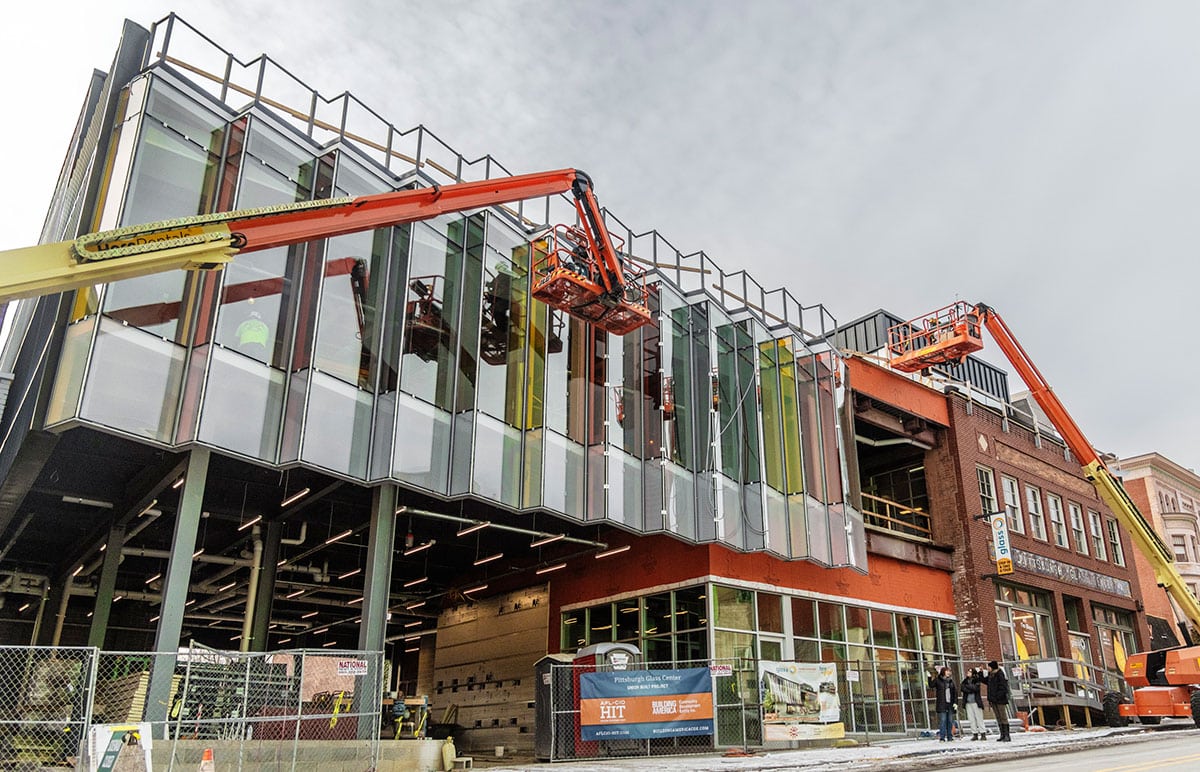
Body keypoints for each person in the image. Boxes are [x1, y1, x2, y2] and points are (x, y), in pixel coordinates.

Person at [927, 666, 958, 742]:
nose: (948, 672)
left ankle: (950, 737)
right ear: (943, 672)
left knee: (950, 721)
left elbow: (955, 693)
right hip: (942, 704)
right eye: (947, 671)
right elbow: (931, 685)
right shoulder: (938, 680)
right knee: (943, 720)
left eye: (949, 671)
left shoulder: (951, 681)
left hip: (950, 704)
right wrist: (929, 677)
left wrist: (955, 702)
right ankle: (942, 737)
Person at [987, 660, 1012, 742]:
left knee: (1003, 717)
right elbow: (986, 683)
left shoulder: (1000, 675)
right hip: (993, 700)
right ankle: (1002, 734)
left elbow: (1003, 688)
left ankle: (1007, 735)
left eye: (989, 667)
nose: (988, 668)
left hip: (1000, 700)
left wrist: (997, 696)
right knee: (998, 717)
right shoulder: (991, 676)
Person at [961, 667, 988, 740]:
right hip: (968, 702)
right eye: (968, 672)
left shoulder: (977, 680)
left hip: (976, 702)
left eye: (970, 672)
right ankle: (974, 733)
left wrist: (968, 687)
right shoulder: (965, 681)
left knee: (979, 718)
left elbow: (976, 689)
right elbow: (962, 688)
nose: (968, 673)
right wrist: (970, 688)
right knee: (971, 719)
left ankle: (983, 733)